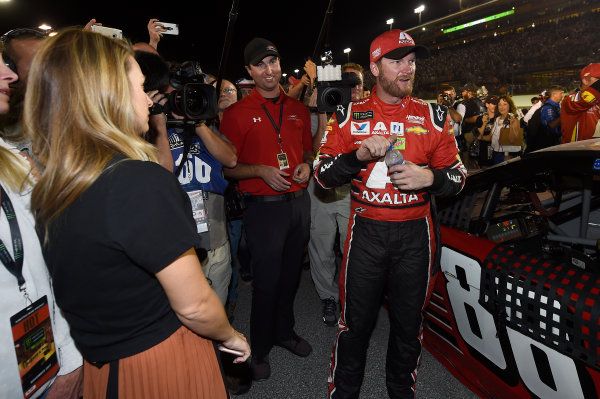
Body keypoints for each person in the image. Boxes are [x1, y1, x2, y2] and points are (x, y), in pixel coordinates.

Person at [24, 29, 249, 398]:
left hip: (104, 364)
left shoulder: (51, 181)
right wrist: (232, 336)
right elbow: (194, 306)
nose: (149, 101)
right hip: (160, 364)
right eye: (140, 87)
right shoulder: (135, 180)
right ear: (107, 95)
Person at [313, 29, 466, 399]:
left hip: (416, 237)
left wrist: (429, 177)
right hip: (366, 234)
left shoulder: (434, 115)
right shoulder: (348, 114)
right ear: (374, 67)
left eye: (411, 61)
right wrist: (357, 157)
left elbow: (460, 178)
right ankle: (344, 392)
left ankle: (401, 391)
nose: (407, 68)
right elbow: (322, 173)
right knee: (355, 326)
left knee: (408, 326)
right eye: (396, 60)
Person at [220, 37, 313, 382]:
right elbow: (228, 168)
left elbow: (306, 153)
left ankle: (284, 332)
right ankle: (258, 347)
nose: (269, 70)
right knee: (266, 283)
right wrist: (259, 170)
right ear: (249, 71)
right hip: (264, 210)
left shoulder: (298, 109)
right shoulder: (235, 114)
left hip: (298, 205)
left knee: (290, 278)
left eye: (273, 62)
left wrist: (307, 165)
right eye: (260, 64)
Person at [0, 45, 83, 399]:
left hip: (47, 367)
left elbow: (50, 266)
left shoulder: (12, 160)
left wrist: (69, 360)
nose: (11, 75)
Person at [308, 62, 364, 326]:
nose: (352, 91)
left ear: (365, 88)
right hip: (321, 189)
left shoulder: (373, 114)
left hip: (354, 191)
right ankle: (329, 296)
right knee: (321, 248)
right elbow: (315, 151)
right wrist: (324, 110)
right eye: (346, 85)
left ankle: (352, 296)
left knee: (352, 249)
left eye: (357, 85)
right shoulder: (322, 109)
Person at [561, 63, 600, 143]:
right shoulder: (570, 99)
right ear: (585, 80)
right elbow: (584, 101)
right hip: (577, 152)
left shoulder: (597, 99)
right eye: (599, 79)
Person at [485, 95, 522, 164]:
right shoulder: (497, 119)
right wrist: (480, 136)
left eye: (505, 104)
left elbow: (512, 140)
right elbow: (490, 137)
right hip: (497, 155)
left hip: (508, 156)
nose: (502, 107)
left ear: (509, 106)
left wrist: (511, 124)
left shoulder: (514, 119)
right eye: (499, 105)